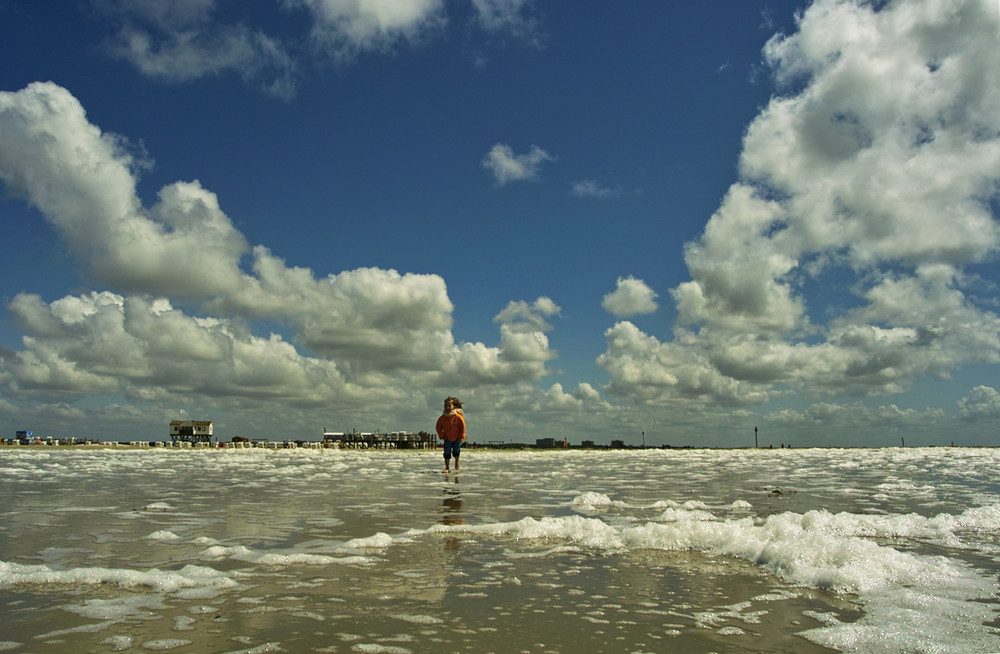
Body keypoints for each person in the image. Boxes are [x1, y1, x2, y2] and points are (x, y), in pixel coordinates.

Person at [436, 396, 466, 472]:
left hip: (457, 438)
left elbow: (462, 427)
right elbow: (438, 427)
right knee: (447, 453)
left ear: (454, 407)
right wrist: (442, 436)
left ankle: (457, 462)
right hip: (447, 438)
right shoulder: (442, 418)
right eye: (445, 406)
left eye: (449, 406)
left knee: (456, 452)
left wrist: (461, 436)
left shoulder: (458, 417)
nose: (447, 407)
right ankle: (447, 467)